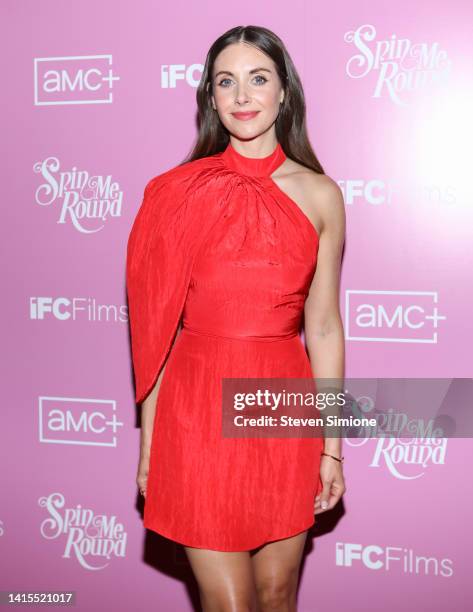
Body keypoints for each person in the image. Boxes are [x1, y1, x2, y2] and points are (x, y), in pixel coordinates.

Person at [126, 24, 346, 612]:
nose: (243, 96)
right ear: (211, 98)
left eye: (258, 79)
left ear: (284, 93)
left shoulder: (320, 194)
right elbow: (157, 335)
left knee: (277, 595)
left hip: (281, 408)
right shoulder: (173, 194)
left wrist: (331, 445)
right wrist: (150, 444)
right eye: (227, 82)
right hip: (196, 412)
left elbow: (323, 327)